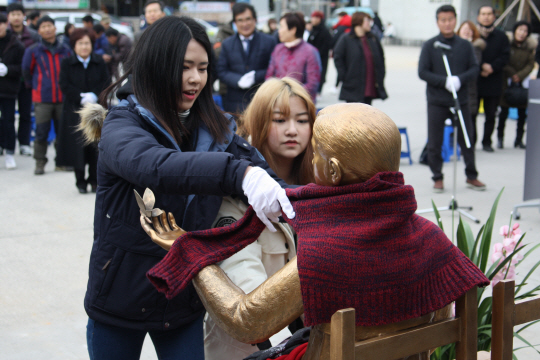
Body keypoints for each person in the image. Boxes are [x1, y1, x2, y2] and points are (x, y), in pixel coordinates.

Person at [143, 103, 490, 360]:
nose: (311, 159)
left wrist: (188, 252)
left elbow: (247, 322)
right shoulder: (430, 236)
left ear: (334, 171)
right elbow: (442, 315)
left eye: (317, 153)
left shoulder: (326, 252)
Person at [78, 16, 294, 360]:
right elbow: (156, 167)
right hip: (118, 300)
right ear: (156, 65)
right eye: (185, 67)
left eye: (204, 68)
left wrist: (315, 205)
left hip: (181, 302)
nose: (196, 78)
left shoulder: (215, 127)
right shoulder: (122, 123)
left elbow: (273, 182)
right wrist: (238, 174)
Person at [204, 77, 316, 359]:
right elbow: (247, 289)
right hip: (251, 347)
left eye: (302, 121)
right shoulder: (238, 192)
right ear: (258, 122)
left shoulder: (317, 185)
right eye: (280, 120)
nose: (293, 130)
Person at [418, 5, 486, 192]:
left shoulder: (465, 45)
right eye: (443, 20)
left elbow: (474, 68)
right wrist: (443, 81)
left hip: (460, 99)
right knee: (435, 140)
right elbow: (422, 72)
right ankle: (437, 177)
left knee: (467, 137)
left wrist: (459, 80)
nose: (447, 23)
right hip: (436, 100)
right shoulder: (430, 45)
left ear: (455, 20)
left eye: (450, 19)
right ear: (438, 22)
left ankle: (471, 175)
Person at [57, 28, 109, 193]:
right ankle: (80, 181)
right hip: (74, 111)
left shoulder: (99, 61)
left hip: (95, 111)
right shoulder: (67, 63)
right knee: (77, 147)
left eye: (87, 43)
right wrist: (80, 97)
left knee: (95, 145)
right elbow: (64, 85)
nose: (84, 47)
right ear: (74, 45)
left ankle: (94, 180)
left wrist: (95, 95)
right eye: (80, 43)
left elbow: (105, 81)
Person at [22, 16, 72, 175]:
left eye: (49, 25)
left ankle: (61, 162)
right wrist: (35, 87)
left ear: (55, 28)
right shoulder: (33, 50)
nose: (47, 29)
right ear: (39, 31)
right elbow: (26, 71)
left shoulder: (66, 50)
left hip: (62, 98)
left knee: (62, 132)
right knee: (41, 132)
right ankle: (40, 162)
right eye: (43, 27)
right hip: (42, 99)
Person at [217, 3, 276, 113]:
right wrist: (237, 80)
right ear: (235, 23)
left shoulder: (269, 42)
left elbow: (274, 68)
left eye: (248, 19)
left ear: (255, 20)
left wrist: (255, 76)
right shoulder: (227, 44)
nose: (245, 24)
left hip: (261, 100)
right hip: (234, 103)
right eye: (240, 20)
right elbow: (221, 71)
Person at [7, 2, 40, 157]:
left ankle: (25, 143)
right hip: (7, 81)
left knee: (26, 113)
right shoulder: (4, 34)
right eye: (12, 14)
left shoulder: (33, 35)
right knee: (6, 114)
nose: (16, 17)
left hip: (26, 81)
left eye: (18, 14)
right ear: (8, 17)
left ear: (23, 15)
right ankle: (5, 143)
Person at [475, 5, 510, 152]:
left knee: (491, 115)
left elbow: (505, 56)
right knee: (471, 114)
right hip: (475, 81)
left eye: (489, 14)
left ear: (494, 17)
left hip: (494, 81)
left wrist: (492, 68)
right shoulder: (474, 34)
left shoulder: (501, 36)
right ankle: (471, 142)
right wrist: (481, 66)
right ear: (478, 17)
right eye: (483, 14)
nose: (486, 17)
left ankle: (487, 142)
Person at [334, 11, 387, 105]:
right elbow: (338, 57)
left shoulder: (372, 38)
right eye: (367, 21)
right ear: (359, 22)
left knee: (367, 113)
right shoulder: (346, 39)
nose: (369, 24)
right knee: (352, 115)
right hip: (352, 85)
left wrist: (381, 75)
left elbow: (381, 58)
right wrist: (344, 76)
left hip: (370, 83)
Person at [497, 21, 535, 149]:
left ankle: (518, 140)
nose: (522, 33)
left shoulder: (530, 48)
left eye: (525, 31)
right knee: (503, 112)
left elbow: (531, 64)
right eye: (520, 30)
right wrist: (513, 74)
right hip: (506, 83)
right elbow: (503, 60)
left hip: (522, 83)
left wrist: (520, 75)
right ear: (515, 31)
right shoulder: (507, 45)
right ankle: (499, 138)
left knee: (522, 114)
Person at [266, 12, 321, 101]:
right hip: (277, 102)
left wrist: (289, 95)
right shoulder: (278, 49)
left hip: (300, 104)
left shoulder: (310, 51)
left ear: (293, 30)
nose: (279, 30)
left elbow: (312, 84)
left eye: (281, 26)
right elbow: (269, 76)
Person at [0, 13, 25, 169]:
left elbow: (22, 68)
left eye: (2, 23)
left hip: (8, 89)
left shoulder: (16, 44)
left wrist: (8, 69)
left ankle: (9, 151)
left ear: (5, 24)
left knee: (9, 121)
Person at [457, 20, 485, 146]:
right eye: (464, 29)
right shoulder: (453, 45)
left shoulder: (475, 48)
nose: (467, 32)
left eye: (470, 30)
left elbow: (473, 67)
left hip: (470, 88)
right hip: (454, 87)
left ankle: (470, 145)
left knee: (470, 117)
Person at [307, 11, 332, 96]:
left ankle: (318, 91)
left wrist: (316, 55)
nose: (312, 20)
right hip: (311, 59)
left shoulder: (324, 31)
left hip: (321, 59)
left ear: (319, 19)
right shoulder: (313, 30)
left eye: (314, 18)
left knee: (320, 75)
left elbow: (327, 46)